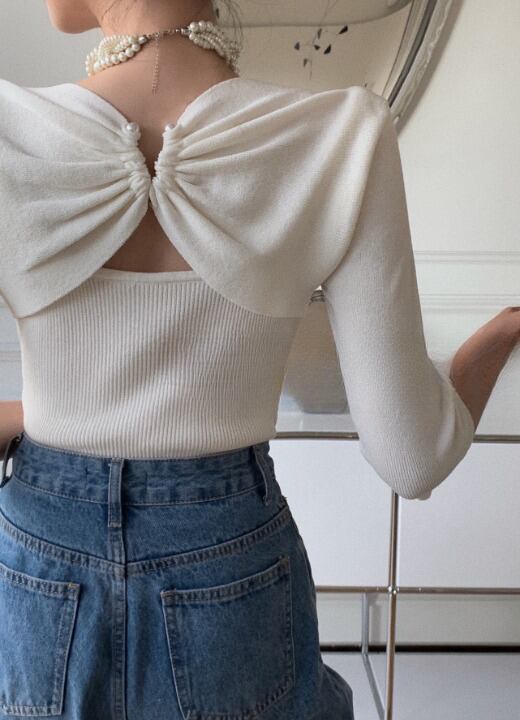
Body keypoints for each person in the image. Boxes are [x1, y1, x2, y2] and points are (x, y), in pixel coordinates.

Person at [0, 1, 518, 718]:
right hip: (228, 559)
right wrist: (502, 334)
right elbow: (412, 457)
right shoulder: (340, 135)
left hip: (39, 563)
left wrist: (42, 417)